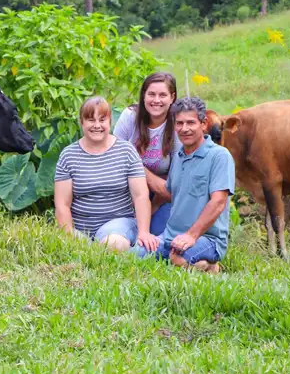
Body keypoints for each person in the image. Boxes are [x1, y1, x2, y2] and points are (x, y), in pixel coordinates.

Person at [134, 97, 235, 273]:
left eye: (191, 123)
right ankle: (200, 265)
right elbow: (167, 192)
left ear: (204, 124)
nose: (184, 129)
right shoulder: (179, 156)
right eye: (179, 123)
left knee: (177, 258)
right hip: (170, 236)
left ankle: (210, 266)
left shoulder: (219, 156)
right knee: (135, 255)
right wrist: (138, 167)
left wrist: (191, 235)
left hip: (207, 239)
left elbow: (218, 202)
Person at [54, 96, 158, 253]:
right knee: (76, 249)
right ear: (81, 122)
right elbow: (62, 204)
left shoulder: (126, 151)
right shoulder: (68, 155)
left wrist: (143, 232)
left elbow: (141, 196)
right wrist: (68, 234)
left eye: (102, 120)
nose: (97, 125)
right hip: (81, 227)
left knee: (113, 244)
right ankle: (93, 251)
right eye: (90, 120)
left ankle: (104, 251)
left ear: (110, 122)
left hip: (118, 225)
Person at [113, 72, 181, 236]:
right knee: (123, 234)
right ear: (143, 95)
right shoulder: (130, 117)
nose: (156, 100)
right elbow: (113, 158)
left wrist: (154, 206)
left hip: (161, 197)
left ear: (172, 97)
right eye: (151, 94)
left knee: (159, 234)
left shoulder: (178, 124)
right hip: (126, 191)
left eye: (162, 95)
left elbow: (175, 185)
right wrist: (145, 175)